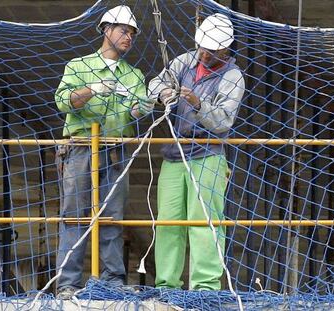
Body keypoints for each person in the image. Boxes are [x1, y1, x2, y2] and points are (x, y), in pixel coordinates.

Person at [54, 5, 153, 299]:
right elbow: (63, 102)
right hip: (81, 148)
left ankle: (112, 280)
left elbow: (135, 112)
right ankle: (68, 283)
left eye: (132, 34)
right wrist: (91, 90)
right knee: (75, 216)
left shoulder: (134, 75)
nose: (129, 37)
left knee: (112, 216)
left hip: (115, 150)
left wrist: (145, 106)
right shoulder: (78, 67)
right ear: (106, 30)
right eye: (124, 30)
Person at [148, 13, 245, 290]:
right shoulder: (184, 61)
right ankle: (167, 285)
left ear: (225, 49)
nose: (203, 54)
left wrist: (197, 102)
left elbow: (224, 121)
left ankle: (205, 287)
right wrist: (163, 94)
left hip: (208, 154)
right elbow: (155, 83)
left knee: (205, 221)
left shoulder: (232, 77)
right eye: (202, 47)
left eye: (211, 50)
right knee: (168, 222)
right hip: (175, 152)